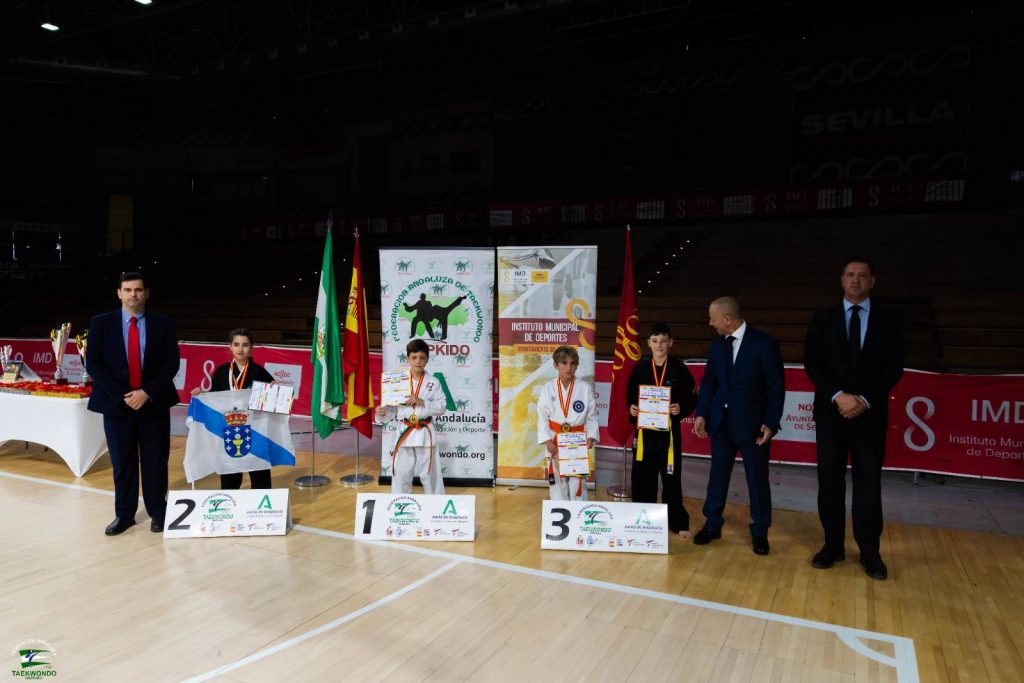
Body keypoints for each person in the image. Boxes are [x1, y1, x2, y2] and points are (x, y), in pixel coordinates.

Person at [804, 258, 904, 580]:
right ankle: (832, 545)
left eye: (862, 275)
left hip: (869, 415)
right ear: (842, 280)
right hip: (831, 413)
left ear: (872, 281)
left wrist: (863, 399)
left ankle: (870, 552)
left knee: (868, 484)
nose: (856, 280)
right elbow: (812, 363)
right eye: (850, 275)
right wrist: (839, 396)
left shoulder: (889, 320)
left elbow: (894, 367)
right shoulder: (822, 318)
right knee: (829, 482)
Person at [86, 272, 180, 535]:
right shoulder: (101, 323)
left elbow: (171, 363)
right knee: (122, 463)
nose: (133, 295)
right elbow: (94, 363)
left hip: (153, 404)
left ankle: (158, 512)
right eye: (127, 290)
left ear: (146, 293)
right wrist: (125, 395)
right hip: (117, 406)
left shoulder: (163, 323)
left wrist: (146, 392)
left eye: (138, 290)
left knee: (155, 462)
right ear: (119, 293)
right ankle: (124, 515)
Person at [693, 297, 784, 555]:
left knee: (757, 479)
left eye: (713, 318)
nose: (710, 323)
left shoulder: (764, 343)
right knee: (717, 476)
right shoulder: (717, 345)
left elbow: (776, 387)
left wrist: (770, 423)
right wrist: (702, 413)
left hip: (753, 426)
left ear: (727, 319)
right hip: (720, 424)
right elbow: (709, 382)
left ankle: (760, 531)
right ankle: (712, 523)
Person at [627, 323, 698, 537]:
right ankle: (643, 521)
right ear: (648, 343)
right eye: (655, 341)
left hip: (669, 436)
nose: (659, 345)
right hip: (645, 434)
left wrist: (680, 408)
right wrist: (632, 408)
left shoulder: (679, 369)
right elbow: (630, 396)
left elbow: (691, 398)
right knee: (642, 478)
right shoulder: (640, 369)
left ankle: (677, 522)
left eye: (663, 341)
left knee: (671, 478)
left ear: (671, 343)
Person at [190, 328, 275, 489]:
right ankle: (228, 501)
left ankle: (262, 504)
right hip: (228, 430)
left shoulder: (259, 372)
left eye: (245, 345)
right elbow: (214, 398)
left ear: (251, 348)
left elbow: (272, 401)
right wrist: (201, 395)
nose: (240, 349)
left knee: (259, 473)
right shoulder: (222, 372)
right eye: (236, 344)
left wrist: (275, 388)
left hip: (255, 430)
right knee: (230, 474)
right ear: (230, 347)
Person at [374, 339, 447, 495]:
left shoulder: (433, 383)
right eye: (414, 357)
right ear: (408, 359)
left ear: (427, 359)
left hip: (424, 432)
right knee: (401, 474)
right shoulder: (398, 381)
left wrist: (422, 402)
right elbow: (393, 409)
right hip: (405, 432)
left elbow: (442, 407)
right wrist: (382, 412)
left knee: (430, 475)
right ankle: (400, 503)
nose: (418, 361)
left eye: (422, 357)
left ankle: (436, 505)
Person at [536, 345, 599, 501]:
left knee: (578, 481)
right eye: (564, 363)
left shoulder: (585, 388)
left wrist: (591, 436)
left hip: (577, 439)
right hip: (555, 439)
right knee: (557, 481)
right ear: (555, 365)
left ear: (577, 365)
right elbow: (542, 416)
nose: (569, 367)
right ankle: (559, 509)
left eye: (573, 363)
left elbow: (591, 416)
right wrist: (547, 440)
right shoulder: (548, 388)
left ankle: (578, 512)